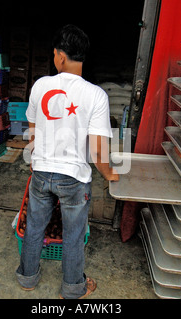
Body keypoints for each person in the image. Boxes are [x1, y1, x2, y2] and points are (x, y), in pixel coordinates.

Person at [16, 24, 119, 299]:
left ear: (60, 56)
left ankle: (27, 278)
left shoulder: (40, 85)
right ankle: (73, 289)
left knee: (35, 226)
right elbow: (98, 152)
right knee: (74, 235)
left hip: (41, 172)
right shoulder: (96, 95)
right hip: (74, 178)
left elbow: (33, 132)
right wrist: (110, 175)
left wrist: (35, 158)